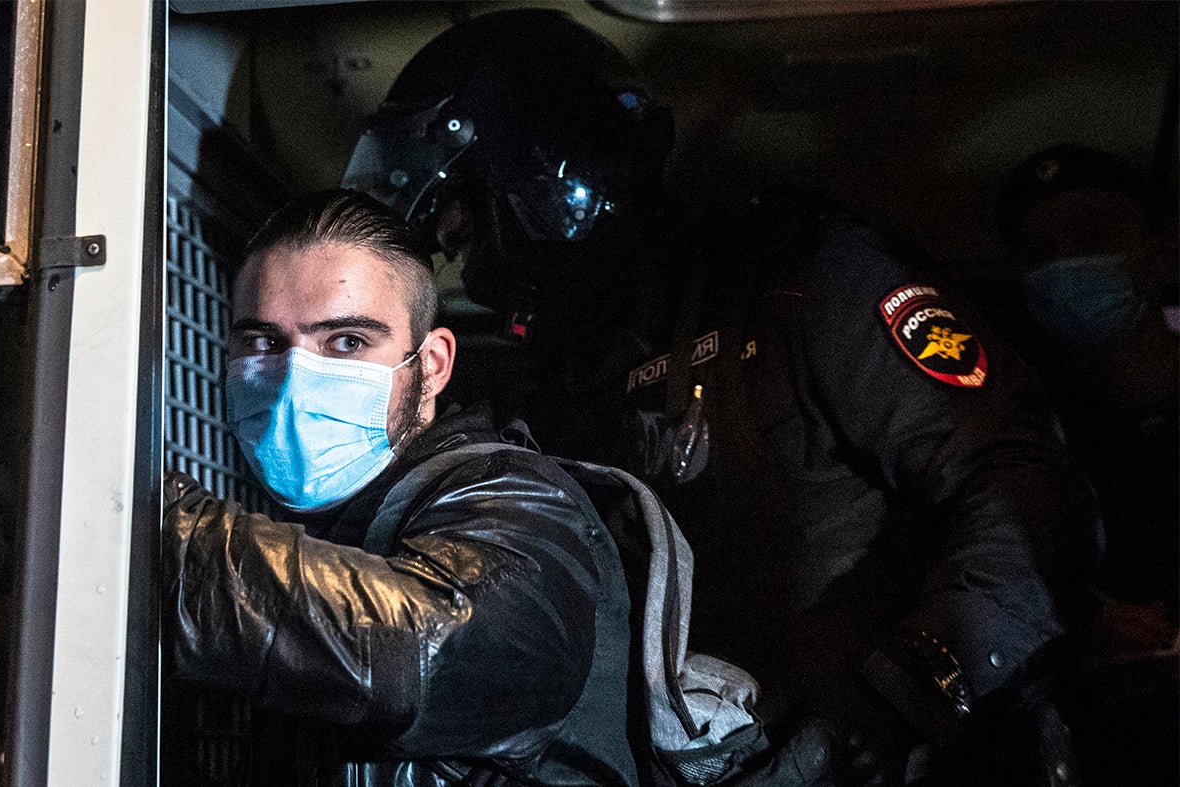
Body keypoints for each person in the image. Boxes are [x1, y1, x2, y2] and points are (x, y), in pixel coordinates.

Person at [344, 10, 1100, 784]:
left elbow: (1024, 490)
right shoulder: (551, 393)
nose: (467, 273)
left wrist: (904, 693)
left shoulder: (803, 282)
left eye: (465, 230)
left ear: (543, 183)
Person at [162, 189, 639, 786]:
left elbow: (424, 649)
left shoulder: (524, 503)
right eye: (263, 343)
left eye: (347, 343)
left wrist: (157, 538)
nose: (292, 379)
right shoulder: (299, 537)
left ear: (432, 365)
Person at [997, 144, 1179, 616]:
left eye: (1094, 236)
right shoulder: (1023, 430)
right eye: (1038, 254)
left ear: (1161, 251)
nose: (1064, 266)